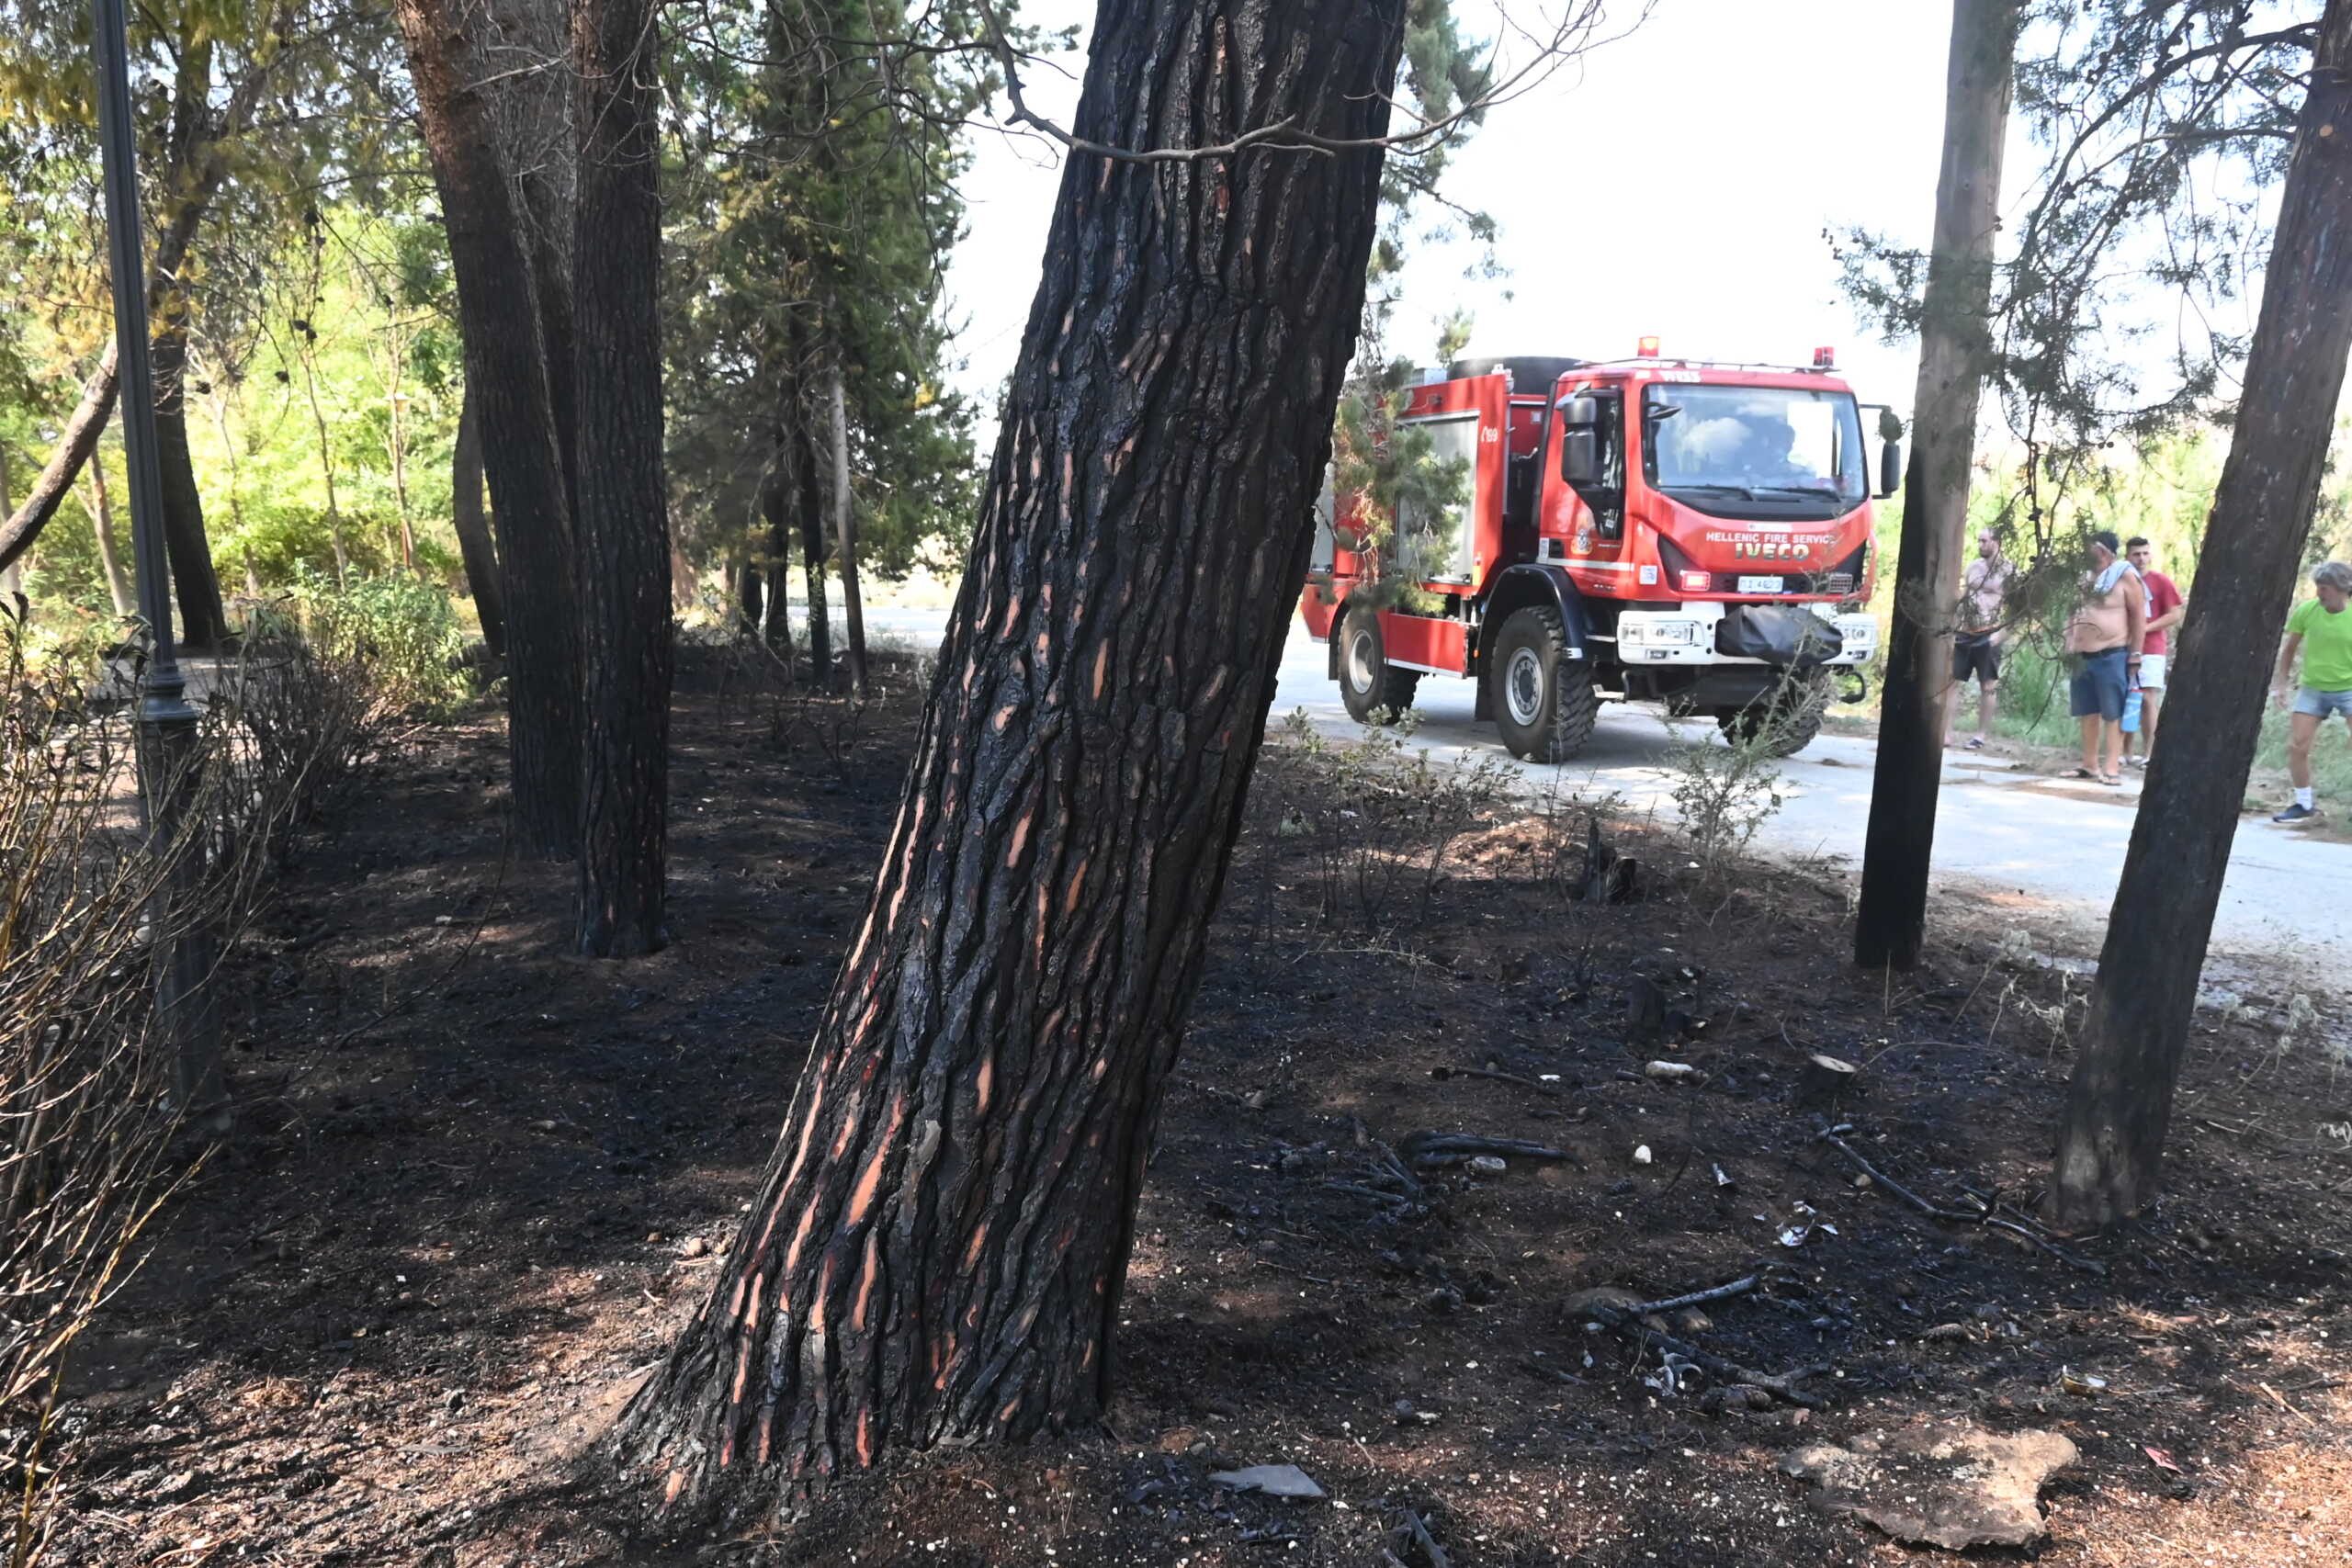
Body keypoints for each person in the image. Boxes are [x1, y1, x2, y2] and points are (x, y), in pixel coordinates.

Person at [2270, 560, 2352, 824]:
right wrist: (2280, 685)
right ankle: (2304, 804)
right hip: (2313, 688)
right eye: (2318, 587)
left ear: (2342, 589)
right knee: (2297, 746)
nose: (2319, 593)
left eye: (2325, 588)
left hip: (2349, 687)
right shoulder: (2307, 611)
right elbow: (2289, 650)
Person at [2065, 529, 2145, 786]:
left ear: (2103, 551)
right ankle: (2089, 765)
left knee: (2113, 713)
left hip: (2112, 654)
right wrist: (2069, 642)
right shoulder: (2082, 578)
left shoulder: (2124, 577)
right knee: (2087, 711)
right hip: (2082, 655)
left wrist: (2136, 654)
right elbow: (2072, 611)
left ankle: (2112, 767)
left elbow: (2139, 618)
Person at [1945, 527, 2012, 750]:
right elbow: (1964, 598)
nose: (1981, 545)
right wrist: (1953, 627)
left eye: (1985, 541)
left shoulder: (2008, 571)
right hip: (1965, 632)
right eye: (1979, 541)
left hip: (1989, 632)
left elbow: (2016, 609)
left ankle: (1981, 735)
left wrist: (2000, 636)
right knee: (1952, 682)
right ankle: (1946, 733)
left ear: (1997, 542)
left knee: (1988, 685)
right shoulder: (1973, 566)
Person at [2122, 536, 2186, 765]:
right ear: (2127, 557)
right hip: (2123, 647)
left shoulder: (2160, 581)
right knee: (2127, 699)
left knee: (2148, 700)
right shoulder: (2122, 580)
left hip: (2151, 649)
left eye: (2145, 553)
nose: (2141, 559)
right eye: (2136, 554)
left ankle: (2150, 754)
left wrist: (2144, 628)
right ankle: (2125, 752)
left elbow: (2175, 614)